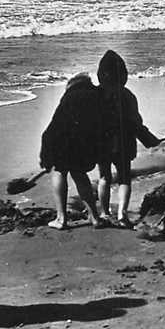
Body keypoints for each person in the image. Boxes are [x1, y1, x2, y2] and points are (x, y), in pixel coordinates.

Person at [96, 50, 162, 229]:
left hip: (102, 141)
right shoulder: (127, 95)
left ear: (101, 74)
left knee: (104, 177)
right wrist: (151, 140)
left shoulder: (95, 95)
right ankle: (122, 215)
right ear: (123, 75)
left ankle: (104, 212)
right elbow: (136, 122)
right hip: (124, 141)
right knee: (124, 178)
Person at [39, 73, 106, 230]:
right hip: (86, 144)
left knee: (58, 172)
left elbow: (52, 129)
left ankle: (61, 219)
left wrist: (45, 156)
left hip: (64, 143)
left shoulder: (69, 97)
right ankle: (95, 217)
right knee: (80, 175)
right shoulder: (97, 96)